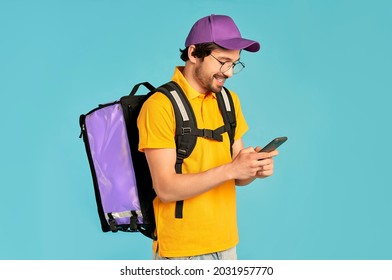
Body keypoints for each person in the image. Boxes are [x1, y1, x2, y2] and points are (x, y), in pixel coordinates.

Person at [137, 14, 279, 260]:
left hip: (226, 244)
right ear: (193, 54)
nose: (230, 73)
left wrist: (254, 169)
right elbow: (166, 188)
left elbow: (238, 177)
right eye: (223, 61)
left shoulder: (229, 101)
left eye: (235, 63)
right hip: (182, 251)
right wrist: (233, 169)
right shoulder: (160, 106)